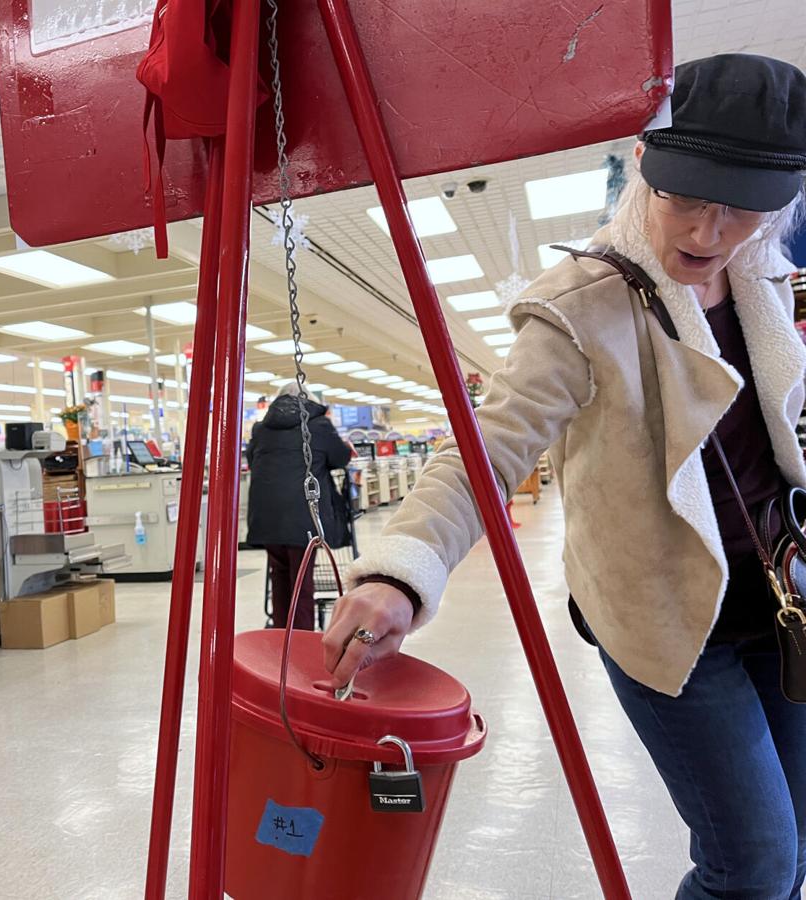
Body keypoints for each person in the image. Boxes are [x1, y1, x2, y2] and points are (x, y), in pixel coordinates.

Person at [325, 54, 806, 898]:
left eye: (739, 210)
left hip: (783, 602)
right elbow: (488, 449)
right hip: (665, 623)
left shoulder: (765, 277)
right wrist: (402, 573)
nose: (706, 232)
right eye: (686, 197)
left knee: (798, 847)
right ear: (645, 165)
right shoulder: (582, 306)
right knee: (755, 866)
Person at [246, 382, 353, 629]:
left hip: (267, 515)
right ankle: (301, 640)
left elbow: (252, 459)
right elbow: (339, 458)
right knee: (301, 582)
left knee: (279, 574)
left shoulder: (261, 428)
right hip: (305, 514)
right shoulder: (318, 425)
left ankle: (282, 634)